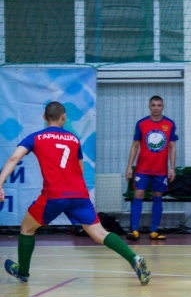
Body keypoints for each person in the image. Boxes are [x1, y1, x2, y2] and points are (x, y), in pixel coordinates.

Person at [0, 102, 150, 285]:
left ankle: (23, 271)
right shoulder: (73, 139)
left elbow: (14, 158)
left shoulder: (36, 137)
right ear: (63, 117)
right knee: (100, 233)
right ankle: (134, 258)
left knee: (27, 228)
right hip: (79, 194)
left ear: (44, 117)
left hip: (54, 195)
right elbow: (80, 169)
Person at [125, 95, 178, 241]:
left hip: (160, 170)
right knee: (138, 194)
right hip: (142, 168)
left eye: (159, 105)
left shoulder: (169, 124)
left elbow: (172, 147)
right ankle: (134, 230)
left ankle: (154, 231)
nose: (156, 108)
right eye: (153, 105)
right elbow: (135, 145)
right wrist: (129, 167)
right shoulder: (141, 123)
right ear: (149, 106)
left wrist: (172, 168)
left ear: (163, 107)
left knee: (158, 195)